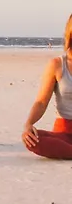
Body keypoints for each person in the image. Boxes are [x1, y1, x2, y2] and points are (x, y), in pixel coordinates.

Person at [22, 14, 72, 159]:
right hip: (64, 133)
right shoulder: (57, 64)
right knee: (34, 139)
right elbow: (41, 102)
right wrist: (29, 124)